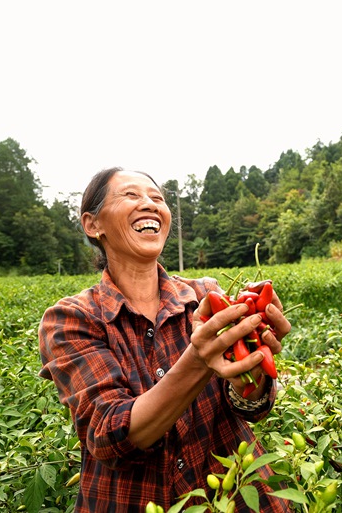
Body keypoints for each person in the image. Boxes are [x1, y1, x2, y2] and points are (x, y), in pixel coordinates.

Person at [38, 167, 291, 512]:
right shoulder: (72, 318)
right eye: (130, 195)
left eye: (157, 198)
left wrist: (253, 371)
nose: (150, 205)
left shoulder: (207, 294)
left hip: (235, 497)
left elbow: (251, 406)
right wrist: (199, 359)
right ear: (92, 224)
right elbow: (110, 435)